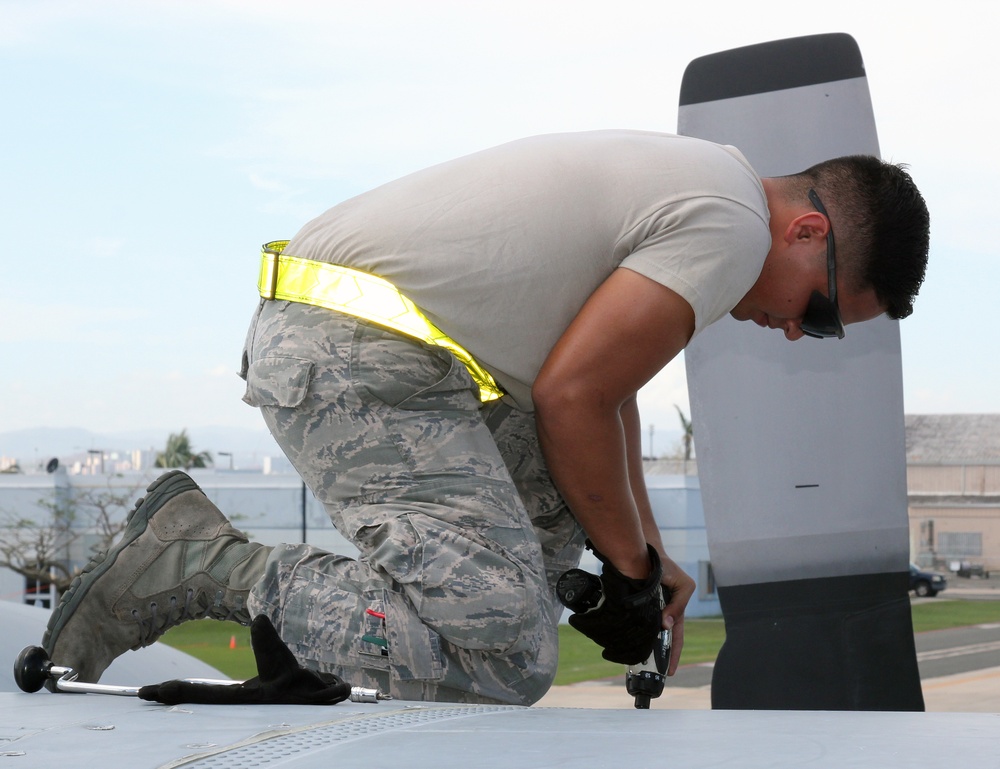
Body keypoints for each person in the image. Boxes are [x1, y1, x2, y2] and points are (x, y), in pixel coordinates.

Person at [42, 130, 930, 705]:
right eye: (818, 314)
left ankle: (348, 651)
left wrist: (646, 562)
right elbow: (570, 399)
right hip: (353, 355)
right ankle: (199, 560)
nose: (790, 331)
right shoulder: (730, 230)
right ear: (808, 233)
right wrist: (624, 572)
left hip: (382, 354)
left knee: (522, 586)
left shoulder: (710, 187)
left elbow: (604, 394)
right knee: (511, 647)